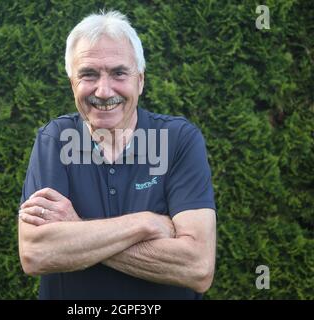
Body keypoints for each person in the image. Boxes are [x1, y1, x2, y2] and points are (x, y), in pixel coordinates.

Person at [18, 10, 217, 300]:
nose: (103, 90)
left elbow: (197, 266)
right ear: (72, 82)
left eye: (118, 73)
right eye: (88, 74)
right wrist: (146, 223)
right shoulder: (55, 141)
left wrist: (77, 232)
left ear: (140, 80)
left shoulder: (179, 140)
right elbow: (37, 253)